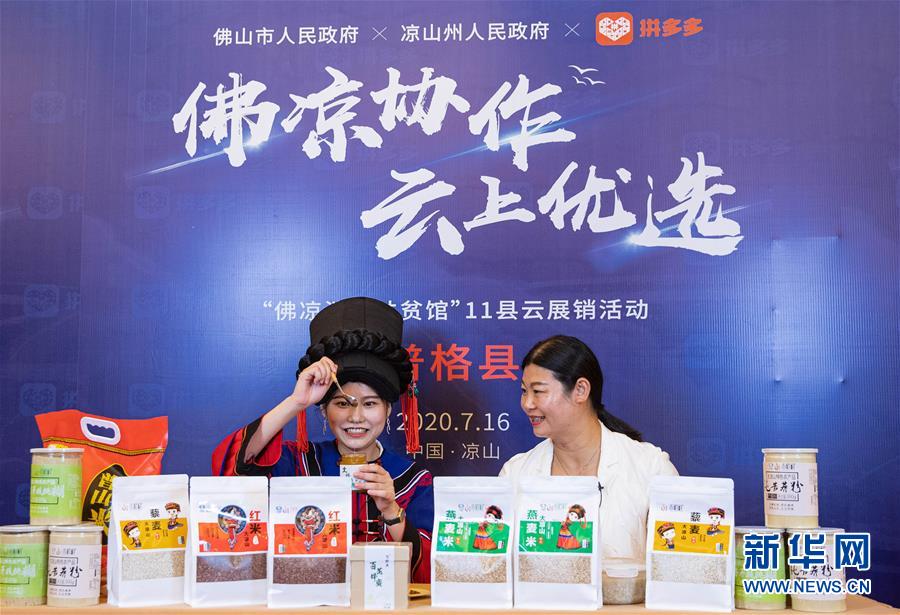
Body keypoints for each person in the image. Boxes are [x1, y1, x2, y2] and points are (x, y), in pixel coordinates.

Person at [212, 297, 434, 582]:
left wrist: (391, 510)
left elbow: (428, 570)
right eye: (342, 403)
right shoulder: (297, 463)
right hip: (305, 599)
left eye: (370, 404)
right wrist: (296, 402)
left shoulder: (413, 479)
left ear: (388, 410)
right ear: (323, 410)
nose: (356, 417)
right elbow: (231, 468)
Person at [499, 335, 678, 561]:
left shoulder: (650, 467)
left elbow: (675, 564)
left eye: (538, 391)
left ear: (581, 390)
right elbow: (496, 565)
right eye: (524, 391)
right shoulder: (515, 474)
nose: (527, 404)